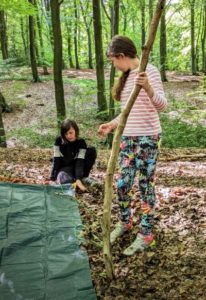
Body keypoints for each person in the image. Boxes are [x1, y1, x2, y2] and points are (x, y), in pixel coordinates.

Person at [98, 35, 167, 256]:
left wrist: (147, 87)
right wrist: (111, 124)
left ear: (121, 55)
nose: (114, 65)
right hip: (127, 139)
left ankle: (146, 234)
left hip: (148, 138)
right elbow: (128, 112)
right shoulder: (126, 78)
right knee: (122, 184)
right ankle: (125, 222)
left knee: (145, 186)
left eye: (113, 60)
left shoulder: (150, 72)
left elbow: (162, 106)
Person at [50, 119, 97, 192]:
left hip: (78, 168)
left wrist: (78, 178)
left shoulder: (81, 142)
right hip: (65, 168)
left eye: (71, 133)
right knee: (63, 178)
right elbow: (56, 160)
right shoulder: (58, 141)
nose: (68, 136)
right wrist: (52, 177)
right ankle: (75, 182)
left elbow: (80, 162)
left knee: (92, 150)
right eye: (66, 134)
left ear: (76, 130)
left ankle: (82, 179)